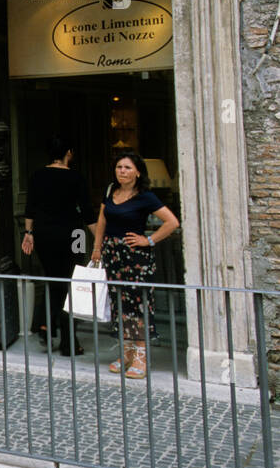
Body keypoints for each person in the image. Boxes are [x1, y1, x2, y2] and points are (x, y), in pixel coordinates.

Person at [89, 151, 179, 379]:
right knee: (120, 305)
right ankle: (127, 352)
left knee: (138, 305)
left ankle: (141, 355)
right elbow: (102, 221)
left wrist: (148, 240)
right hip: (112, 256)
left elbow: (172, 222)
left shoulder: (145, 196)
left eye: (127, 167)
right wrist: (97, 248)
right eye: (119, 167)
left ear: (138, 172)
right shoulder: (111, 191)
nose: (122, 171)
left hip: (136, 259)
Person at [21, 134, 97, 356]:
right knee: (71, 284)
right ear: (69, 153)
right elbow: (87, 212)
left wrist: (28, 233)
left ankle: (46, 323)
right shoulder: (76, 178)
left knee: (55, 280)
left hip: (44, 233)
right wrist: (101, 238)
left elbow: (30, 207)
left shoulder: (37, 175)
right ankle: (68, 341)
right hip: (75, 235)